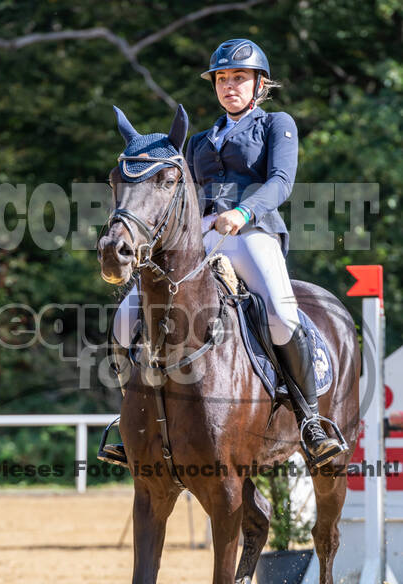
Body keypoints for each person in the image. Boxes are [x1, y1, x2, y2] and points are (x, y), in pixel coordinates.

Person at [101, 38, 347, 468]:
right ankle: (129, 420)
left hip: (252, 231)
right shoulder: (197, 140)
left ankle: (310, 419)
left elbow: (281, 181)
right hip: (199, 234)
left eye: (238, 78)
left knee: (281, 313)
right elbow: (181, 194)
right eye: (222, 78)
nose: (229, 85)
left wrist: (243, 211)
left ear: (259, 84)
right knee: (125, 317)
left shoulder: (276, 124)